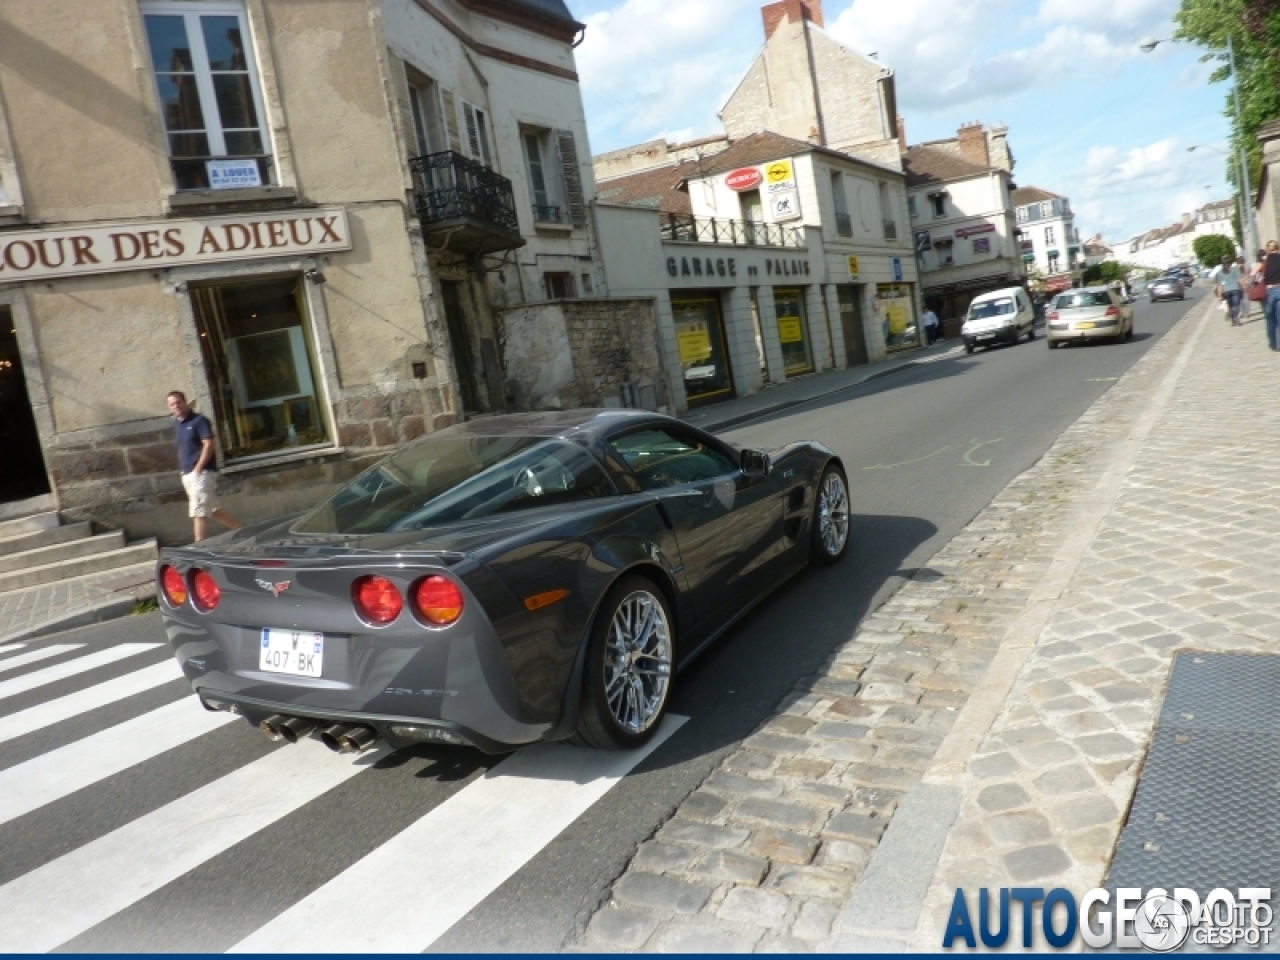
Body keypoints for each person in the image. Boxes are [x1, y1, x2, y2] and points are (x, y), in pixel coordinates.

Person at [166, 390, 240, 541]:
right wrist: (185, 470)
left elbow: (208, 445)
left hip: (202, 473)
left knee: (198, 510)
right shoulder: (177, 424)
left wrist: (198, 468)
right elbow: (182, 448)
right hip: (187, 475)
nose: (176, 406)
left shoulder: (199, 421)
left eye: (178, 402)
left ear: (185, 402)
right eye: (172, 404)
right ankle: (241, 530)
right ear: (169, 408)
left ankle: (199, 546)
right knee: (212, 508)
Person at [1256, 241, 1280, 351]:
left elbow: (1253, 274)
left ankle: (1272, 344)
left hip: (1269, 292)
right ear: (1278, 248)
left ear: (1267, 249)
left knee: (1270, 320)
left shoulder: (1264, 262)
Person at [1215, 254, 1244, 325]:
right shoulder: (1235, 269)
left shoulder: (1219, 273)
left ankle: (1233, 319)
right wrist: (1244, 287)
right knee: (1236, 305)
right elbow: (1239, 280)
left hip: (1226, 291)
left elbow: (1220, 286)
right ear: (1230, 262)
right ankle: (1236, 317)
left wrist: (1219, 296)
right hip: (1236, 289)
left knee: (1230, 306)